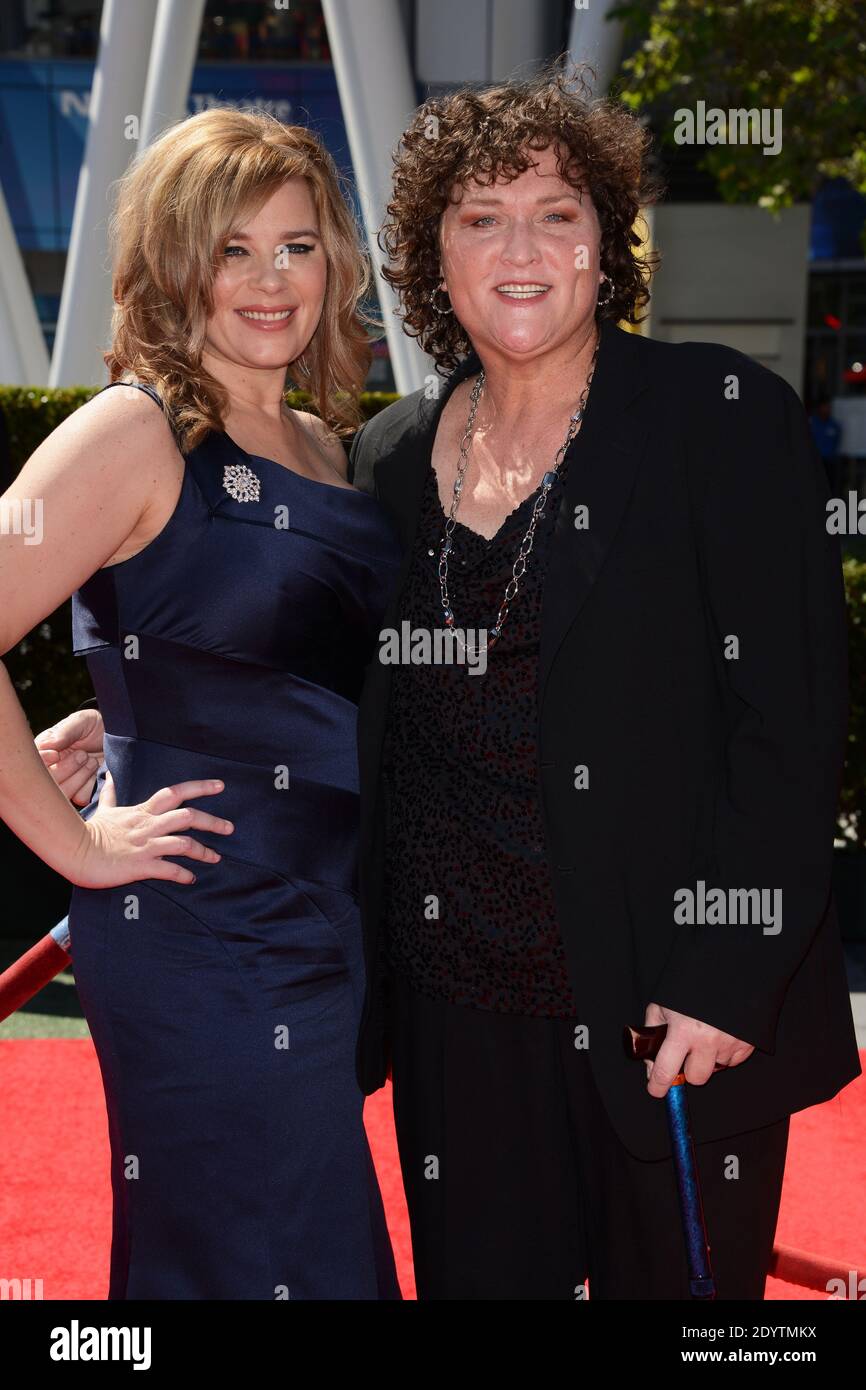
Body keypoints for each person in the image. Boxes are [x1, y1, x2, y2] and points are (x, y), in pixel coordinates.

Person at [345, 69, 860, 1299]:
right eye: (480, 216)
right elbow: (338, 702)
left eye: (557, 213)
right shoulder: (390, 455)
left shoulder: (716, 417)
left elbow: (786, 727)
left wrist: (722, 978)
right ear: (435, 253)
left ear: (605, 244)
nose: (518, 248)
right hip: (455, 1020)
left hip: (663, 1017)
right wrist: (127, 724)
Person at [1, 107, 401, 1300]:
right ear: (176, 264)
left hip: (327, 921)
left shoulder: (331, 451)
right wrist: (70, 836)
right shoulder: (135, 432)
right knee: (257, 1246)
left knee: (291, 1241)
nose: (270, 279)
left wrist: (121, 703)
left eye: (296, 244)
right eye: (232, 248)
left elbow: (285, 661)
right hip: (200, 924)